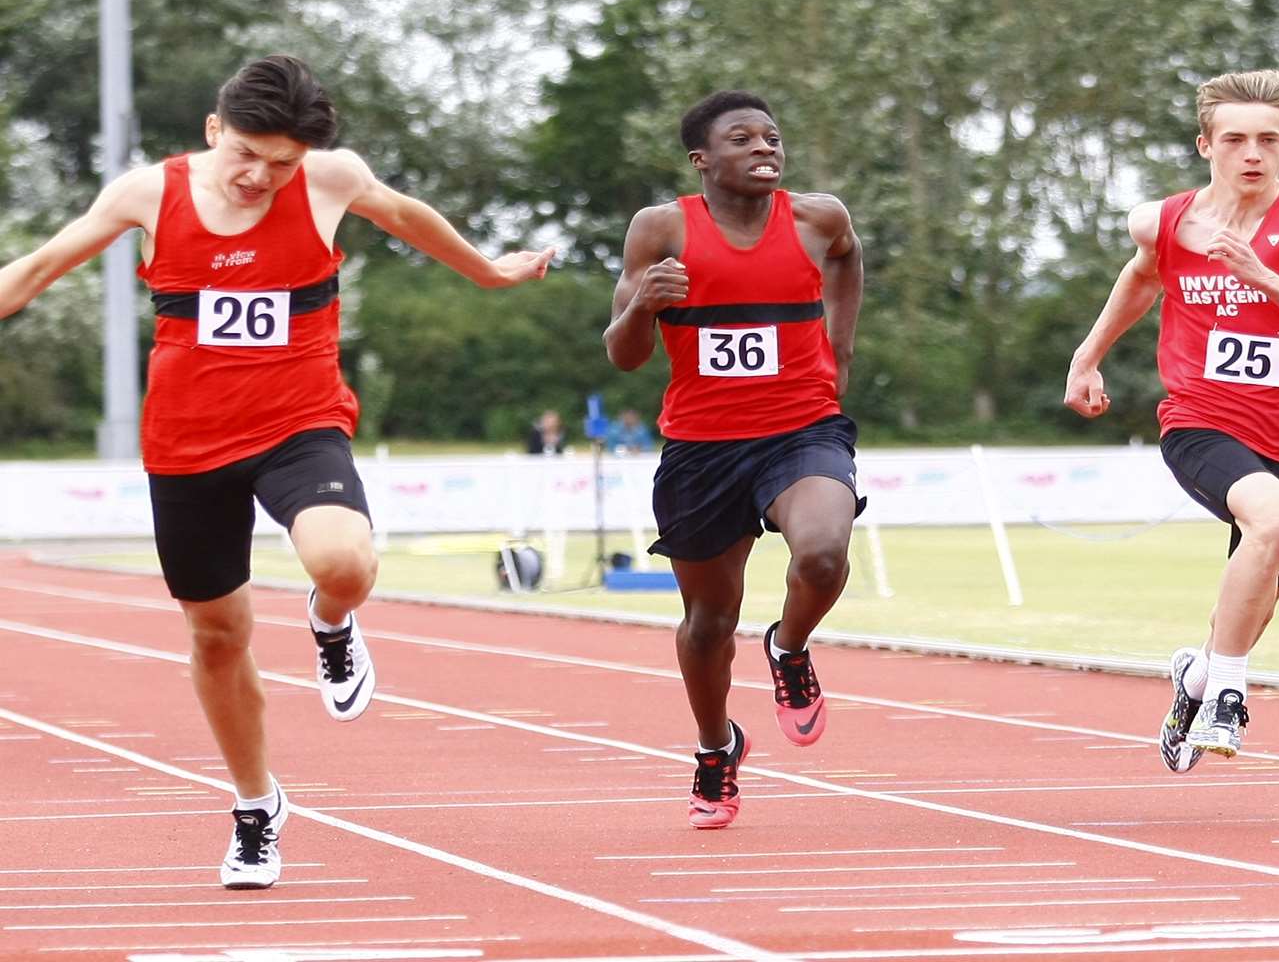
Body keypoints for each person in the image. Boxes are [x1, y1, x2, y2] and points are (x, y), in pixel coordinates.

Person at [0, 55, 554, 886]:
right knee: (218, 635)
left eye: (282, 165)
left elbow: (406, 215)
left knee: (345, 563)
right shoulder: (147, 193)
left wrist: (488, 270)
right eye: (247, 156)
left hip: (300, 422)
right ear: (214, 129)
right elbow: (40, 268)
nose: (261, 177)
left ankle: (331, 624)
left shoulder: (331, 181)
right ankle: (257, 804)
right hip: (187, 444)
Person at [1063, 69, 1279, 772]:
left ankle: (1197, 678)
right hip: (1202, 419)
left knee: (1260, 598)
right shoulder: (1165, 221)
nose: (1250, 154)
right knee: (1277, 522)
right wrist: (1087, 356)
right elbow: (1142, 276)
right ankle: (1227, 695)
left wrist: (1263, 275)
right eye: (1234, 139)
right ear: (1205, 144)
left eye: (1266, 139)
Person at [604, 90, 864, 829]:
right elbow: (623, 358)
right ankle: (716, 747)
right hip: (702, 447)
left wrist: (838, 348)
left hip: (802, 427)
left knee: (821, 555)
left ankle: (789, 647)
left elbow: (847, 258)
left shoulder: (819, 219)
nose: (764, 148)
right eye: (742, 138)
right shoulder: (661, 230)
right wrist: (641, 307)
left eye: (772, 137)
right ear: (702, 160)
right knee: (709, 621)